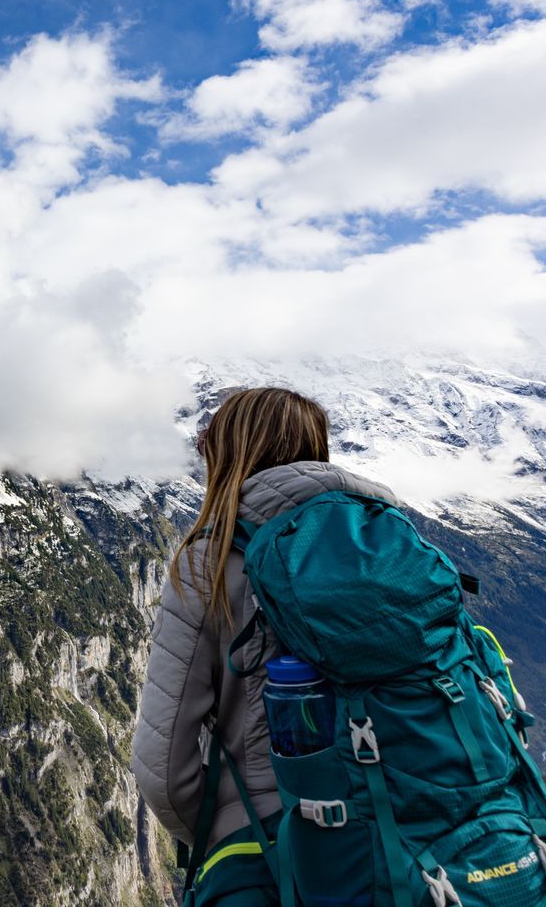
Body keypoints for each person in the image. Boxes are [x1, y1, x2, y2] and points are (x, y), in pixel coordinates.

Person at [132, 386, 397, 907]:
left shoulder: (210, 561)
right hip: (399, 830)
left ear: (229, 453)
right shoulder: (390, 538)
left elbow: (162, 766)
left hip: (278, 846)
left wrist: (221, 824)